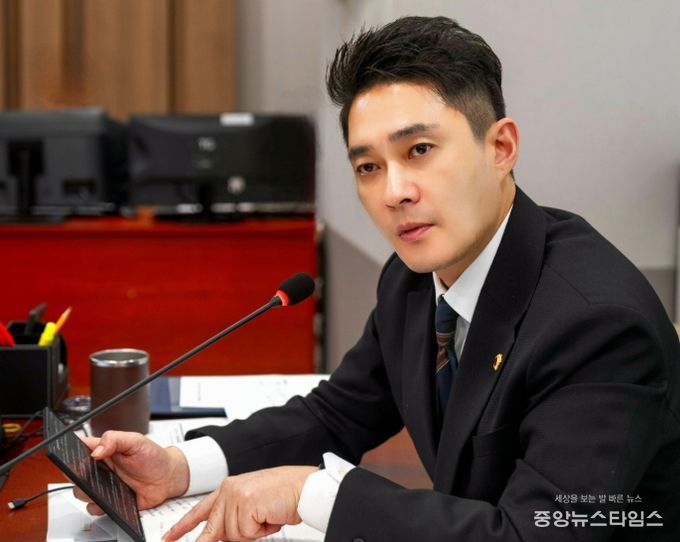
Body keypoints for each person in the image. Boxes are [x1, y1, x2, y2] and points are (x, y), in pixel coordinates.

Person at [77, 16, 680, 541]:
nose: (394, 192)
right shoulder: (414, 278)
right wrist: (178, 467)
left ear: (501, 147)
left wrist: (313, 493)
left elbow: (532, 534)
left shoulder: (596, 326)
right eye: (368, 166)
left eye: (419, 150)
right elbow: (338, 414)